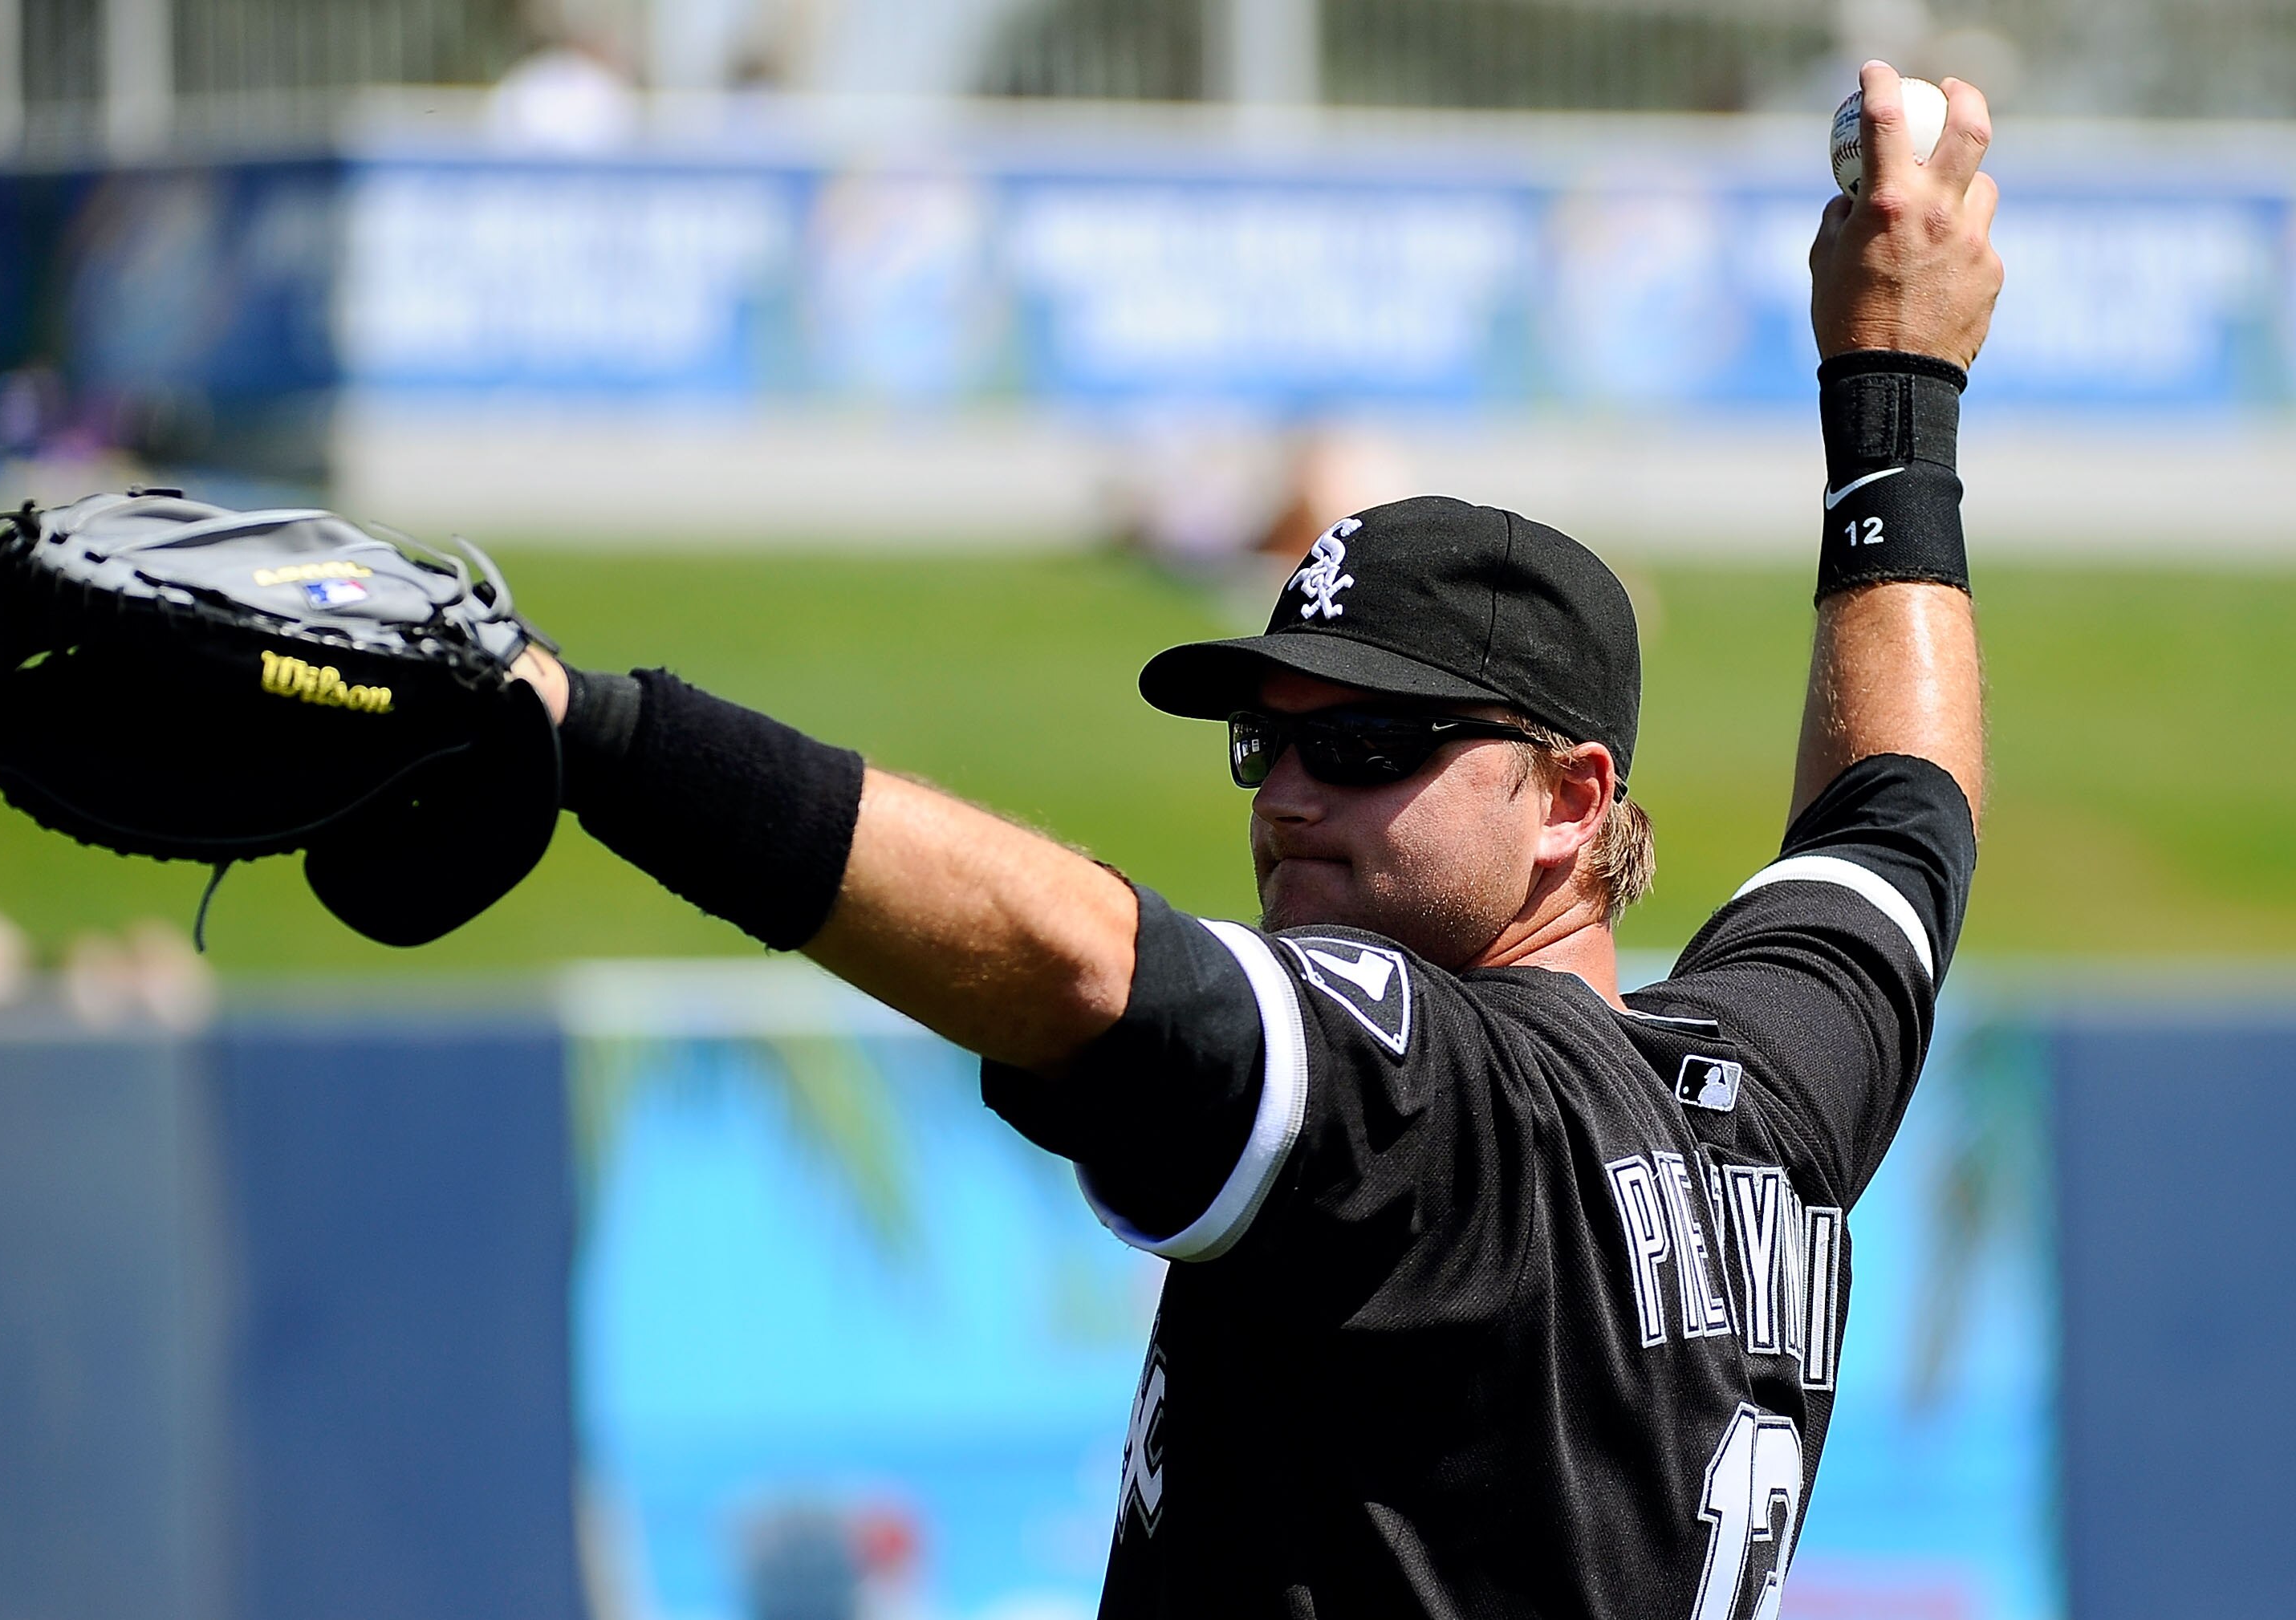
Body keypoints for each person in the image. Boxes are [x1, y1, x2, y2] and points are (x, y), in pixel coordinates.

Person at [510, 60, 2001, 1620]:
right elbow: (1897, 811)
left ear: (1572, 800)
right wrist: (1896, 382)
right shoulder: (1754, 1097)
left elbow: (1085, 959)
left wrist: (589, 733)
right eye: (1264, 739)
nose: (1288, 795)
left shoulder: (1437, 1094)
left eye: (1366, 747)